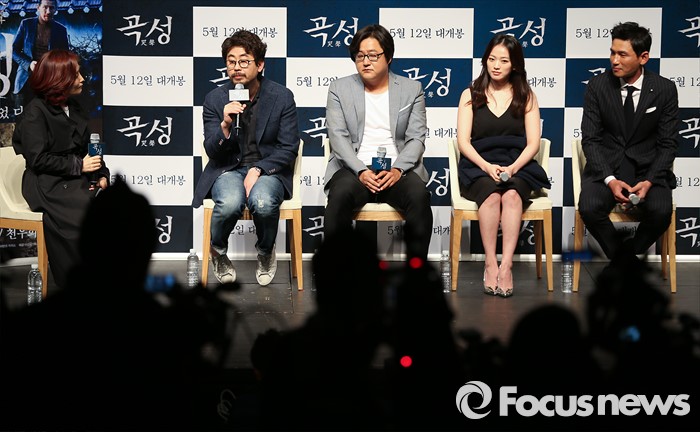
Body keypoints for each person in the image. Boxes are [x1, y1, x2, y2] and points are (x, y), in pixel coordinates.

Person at [192, 30, 299, 286]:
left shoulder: (281, 97)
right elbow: (212, 151)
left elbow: (288, 147)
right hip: (228, 169)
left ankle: (265, 251)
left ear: (260, 65)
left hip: (268, 170)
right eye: (231, 61)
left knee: (263, 202)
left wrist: (258, 169)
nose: (236, 67)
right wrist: (225, 125)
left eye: (244, 61)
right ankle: (218, 252)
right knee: (230, 203)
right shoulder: (215, 99)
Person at [324, 23, 433, 260]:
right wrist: (361, 171)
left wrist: (397, 170)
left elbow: (416, 137)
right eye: (360, 56)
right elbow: (337, 137)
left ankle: (416, 272)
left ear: (389, 57)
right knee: (339, 196)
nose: (366, 61)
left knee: (419, 196)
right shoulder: (339, 89)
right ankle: (336, 272)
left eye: (373, 55)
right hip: (354, 169)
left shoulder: (412, 89)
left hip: (397, 170)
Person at [456, 34, 550, 298]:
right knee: (490, 196)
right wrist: (487, 166)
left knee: (511, 196)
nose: (496, 65)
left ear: (515, 64)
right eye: (491, 59)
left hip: (518, 164)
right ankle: (490, 263)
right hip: (478, 164)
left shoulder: (526, 96)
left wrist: (513, 168)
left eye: (504, 61)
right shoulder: (470, 94)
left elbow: (533, 143)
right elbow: (463, 142)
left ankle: (506, 266)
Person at [579, 22, 678, 260]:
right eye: (612, 52)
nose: (614, 60)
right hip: (608, 170)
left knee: (661, 211)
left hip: (647, 171)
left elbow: (668, 144)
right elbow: (590, 140)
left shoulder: (664, 89)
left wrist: (650, 180)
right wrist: (610, 180)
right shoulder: (597, 86)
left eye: (622, 54)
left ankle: (626, 257)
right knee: (589, 207)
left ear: (643, 57)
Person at [12, 49, 108, 290]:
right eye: (76, 75)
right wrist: (80, 166)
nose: (82, 79)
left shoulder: (75, 107)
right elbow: (37, 159)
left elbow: (89, 149)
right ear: (59, 79)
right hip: (46, 182)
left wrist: (101, 174)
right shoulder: (35, 112)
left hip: (74, 178)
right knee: (83, 214)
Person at [12, 0, 70, 107]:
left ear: (56, 10)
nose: (48, 11)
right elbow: (14, 51)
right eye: (45, 7)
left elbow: (65, 57)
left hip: (50, 82)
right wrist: (29, 64)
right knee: (23, 115)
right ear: (38, 7)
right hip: (25, 80)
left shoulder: (61, 30)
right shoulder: (26, 24)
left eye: (51, 8)